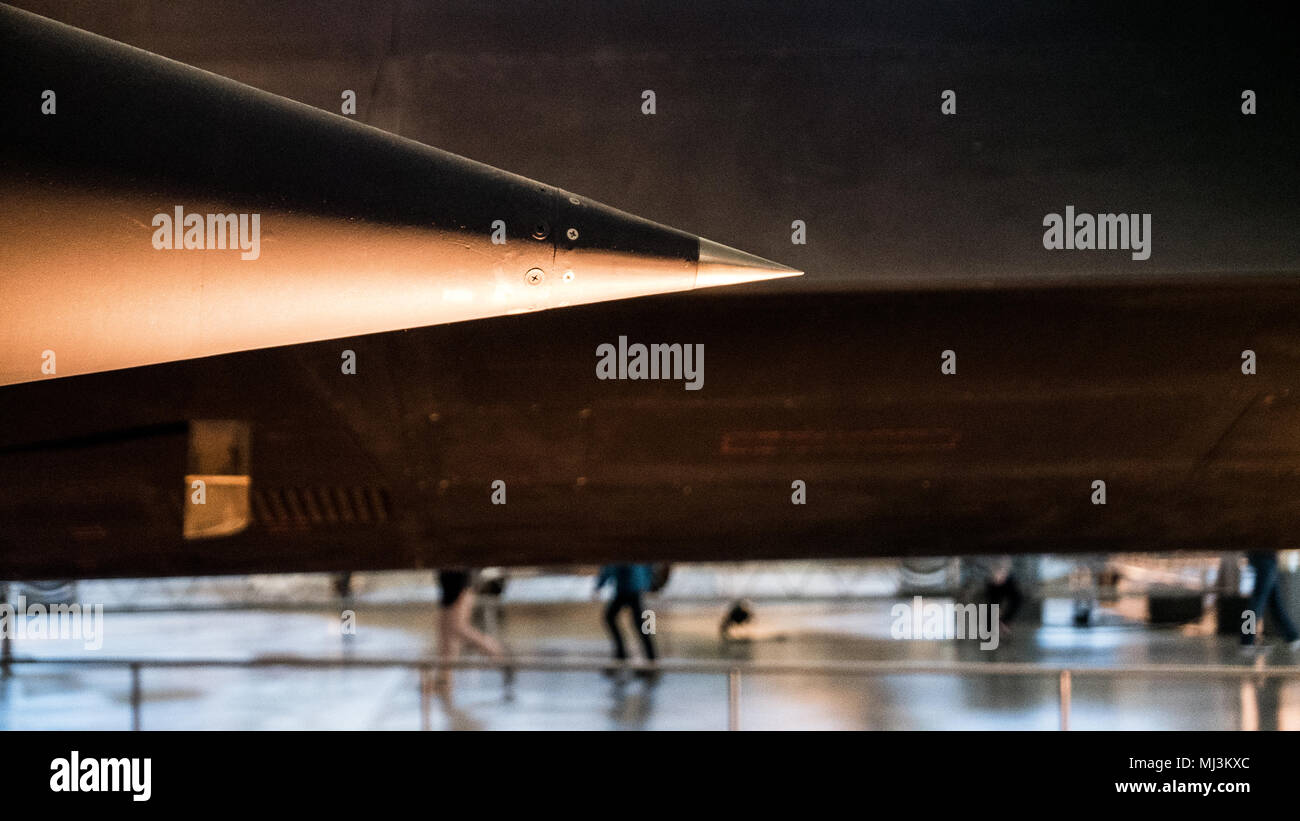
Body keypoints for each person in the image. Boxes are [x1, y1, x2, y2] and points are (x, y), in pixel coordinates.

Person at [434, 569, 505, 687]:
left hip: (459, 581)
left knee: (457, 627)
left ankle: (499, 655)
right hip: (450, 580)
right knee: (446, 633)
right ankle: (445, 679)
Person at [594, 564, 657, 671]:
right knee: (637, 623)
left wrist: (600, 584)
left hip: (629, 587)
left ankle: (628, 655)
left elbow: (610, 566)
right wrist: (648, 582)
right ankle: (648, 657)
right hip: (632, 587)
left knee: (614, 618)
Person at [1242, 551, 1300, 649]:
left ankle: (1292, 637)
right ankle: (1247, 640)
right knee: (1257, 602)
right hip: (1265, 557)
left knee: (1274, 602)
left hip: (1265, 557)